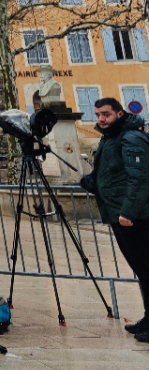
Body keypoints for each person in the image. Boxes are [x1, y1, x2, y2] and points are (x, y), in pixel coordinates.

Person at [90, 98, 149, 339]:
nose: (101, 119)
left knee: (146, 268)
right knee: (142, 269)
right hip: (119, 213)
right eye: (98, 115)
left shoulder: (130, 137)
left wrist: (128, 212)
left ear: (120, 113)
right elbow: (114, 173)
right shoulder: (111, 138)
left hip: (136, 216)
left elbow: (140, 178)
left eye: (106, 114)